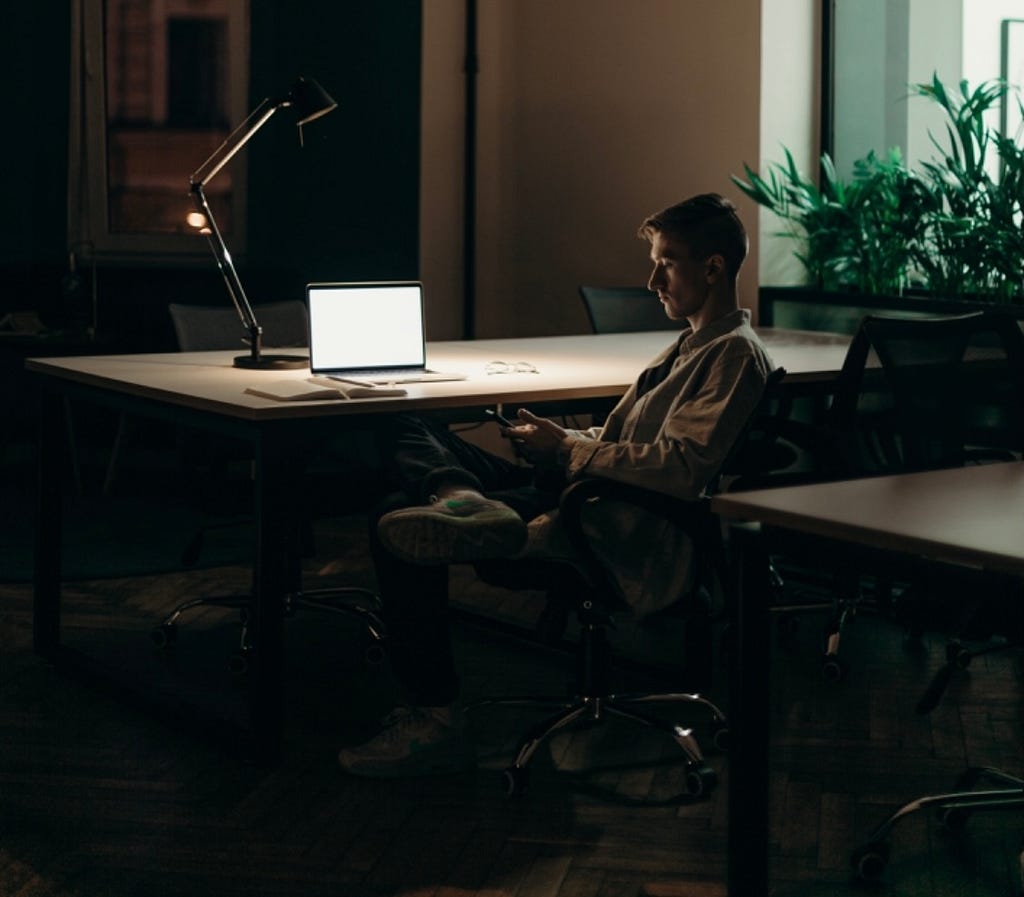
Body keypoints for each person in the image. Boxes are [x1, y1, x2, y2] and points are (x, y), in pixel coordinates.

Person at [338, 192, 775, 777]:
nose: (652, 281)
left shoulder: (733, 357)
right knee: (401, 415)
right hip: (585, 487)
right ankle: (456, 493)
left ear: (713, 267)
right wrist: (560, 438)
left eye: (665, 263)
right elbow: (642, 438)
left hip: (604, 520)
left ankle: (434, 715)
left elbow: (678, 467)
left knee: (393, 514)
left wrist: (569, 448)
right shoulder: (693, 346)